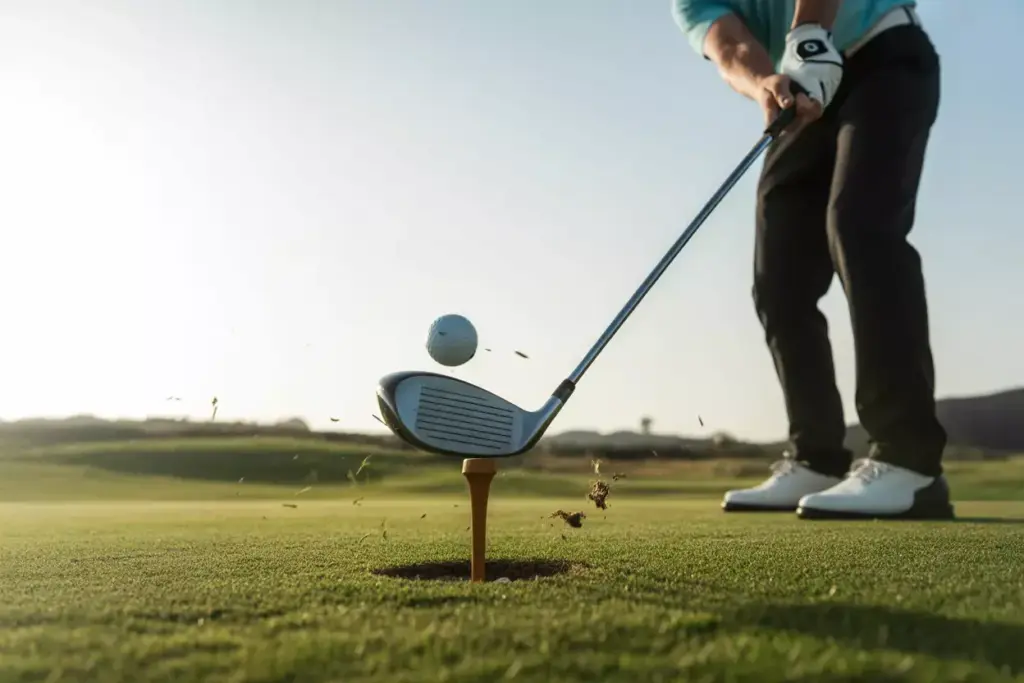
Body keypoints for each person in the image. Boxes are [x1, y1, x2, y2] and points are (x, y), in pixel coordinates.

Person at [671, 0, 953, 519]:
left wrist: (807, 33)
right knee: (779, 277)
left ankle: (910, 462)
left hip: (885, 59)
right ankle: (817, 458)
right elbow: (730, 45)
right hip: (803, 89)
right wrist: (765, 83)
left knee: (860, 227)